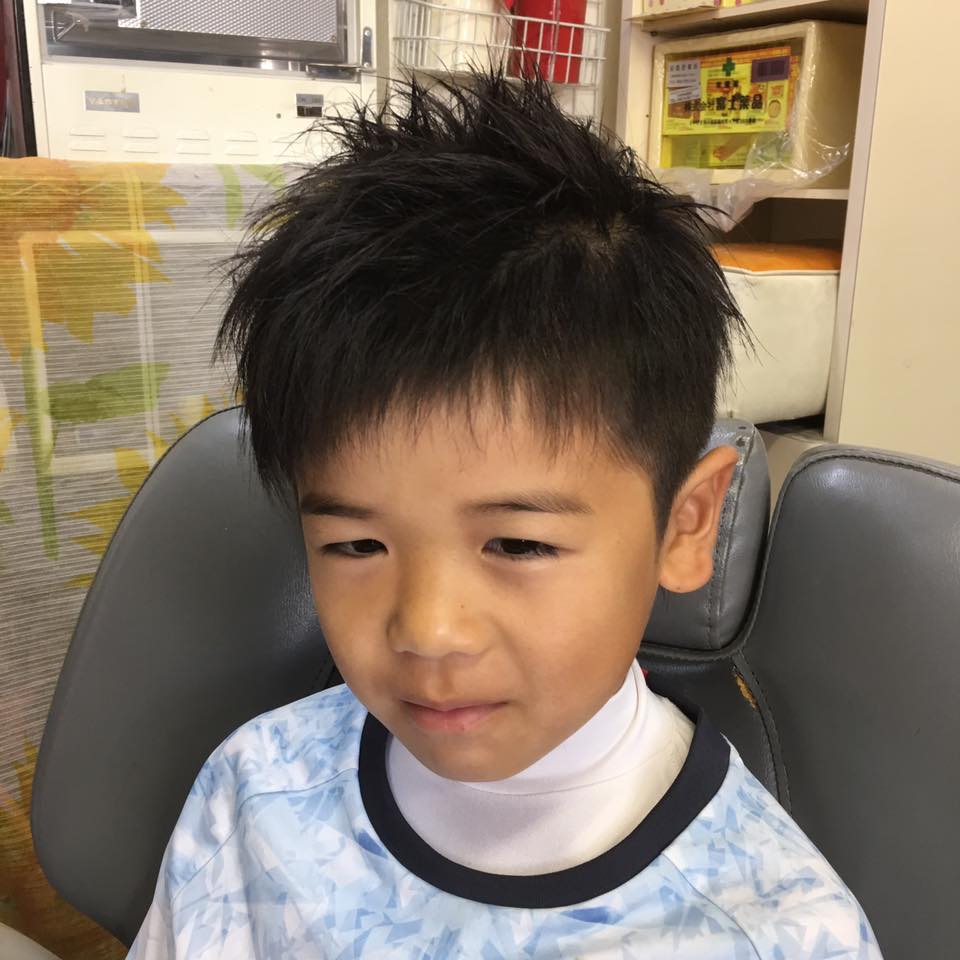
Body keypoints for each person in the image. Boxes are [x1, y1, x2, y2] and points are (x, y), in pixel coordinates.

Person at [127, 68, 881, 958]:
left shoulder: (776, 935)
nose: (428, 631)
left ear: (685, 526)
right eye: (356, 544)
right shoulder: (255, 794)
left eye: (518, 543)